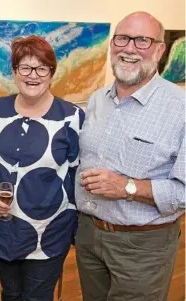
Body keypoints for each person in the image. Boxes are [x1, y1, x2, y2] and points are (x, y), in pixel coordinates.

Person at [75, 11, 185, 301]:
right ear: (112, 45)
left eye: (142, 40)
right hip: (89, 235)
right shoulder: (98, 99)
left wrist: (127, 187)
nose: (129, 48)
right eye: (122, 38)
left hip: (143, 246)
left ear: (160, 49)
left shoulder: (180, 108)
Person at [0, 35, 85, 301]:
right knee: (10, 293)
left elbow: (77, 176)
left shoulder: (71, 117)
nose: (33, 75)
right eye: (25, 67)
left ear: (51, 73)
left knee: (36, 297)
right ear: (14, 72)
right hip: (3, 226)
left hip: (48, 231)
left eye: (41, 68)